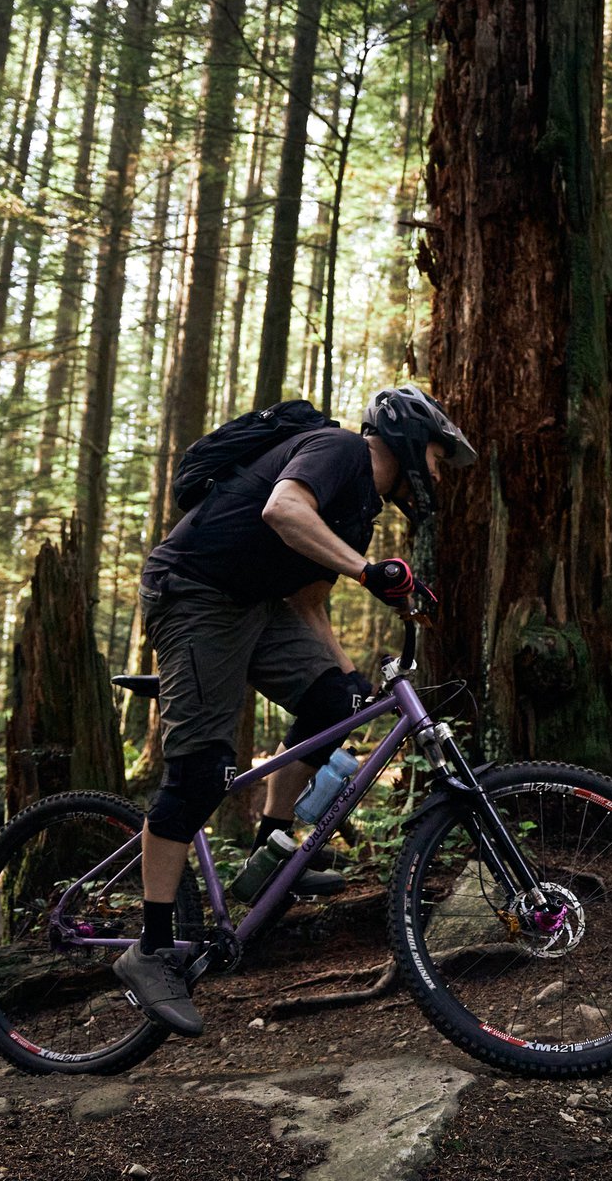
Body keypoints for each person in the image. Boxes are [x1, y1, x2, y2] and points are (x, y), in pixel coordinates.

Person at [113, 386, 476, 1035]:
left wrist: (343, 670)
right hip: (194, 591)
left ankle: (272, 848)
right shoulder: (340, 451)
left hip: (255, 609)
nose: (440, 470)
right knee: (200, 774)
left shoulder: (360, 510)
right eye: (437, 454)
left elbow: (308, 604)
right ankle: (150, 949)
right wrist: (370, 574)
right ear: (406, 440)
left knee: (329, 702)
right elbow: (284, 509)